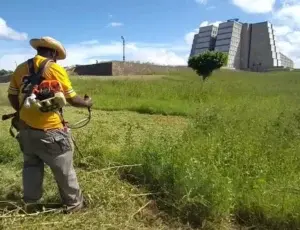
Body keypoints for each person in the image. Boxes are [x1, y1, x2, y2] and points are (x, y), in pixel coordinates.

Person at [7, 36, 92, 213]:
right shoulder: (55, 69)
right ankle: (74, 206)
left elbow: (12, 96)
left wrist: (22, 113)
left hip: (26, 130)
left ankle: (31, 204)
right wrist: (87, 103)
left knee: (31, 167)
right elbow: (72, 99)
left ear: (39, 49)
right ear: (53, 52)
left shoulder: (20, 68)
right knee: (64, 169)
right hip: (52, 133)